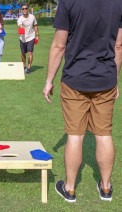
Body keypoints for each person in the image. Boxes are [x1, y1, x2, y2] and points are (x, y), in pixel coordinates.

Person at [43, 0, 122, 203]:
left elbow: (59, 45)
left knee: (75, 135)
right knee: (104, 134)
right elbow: (119, 46)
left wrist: (49, 81)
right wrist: (115, 79)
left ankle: (69, 189)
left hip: (74, 79)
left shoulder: (68, 2)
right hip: (105, 79)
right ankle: (105, 187)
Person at [17, 3, 39, 74]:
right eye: (23, 9)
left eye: (26, 8)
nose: (24, 10)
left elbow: (35, 25)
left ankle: (29, 67)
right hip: (22, 38)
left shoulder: (32, 17)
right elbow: (20, 25)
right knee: (23, 53)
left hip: (31, 37)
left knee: (30, 52)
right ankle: (24, 65)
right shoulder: (20, 19)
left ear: (28, 9)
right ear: (21, 10)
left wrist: (37, 35)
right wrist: (21, 28)